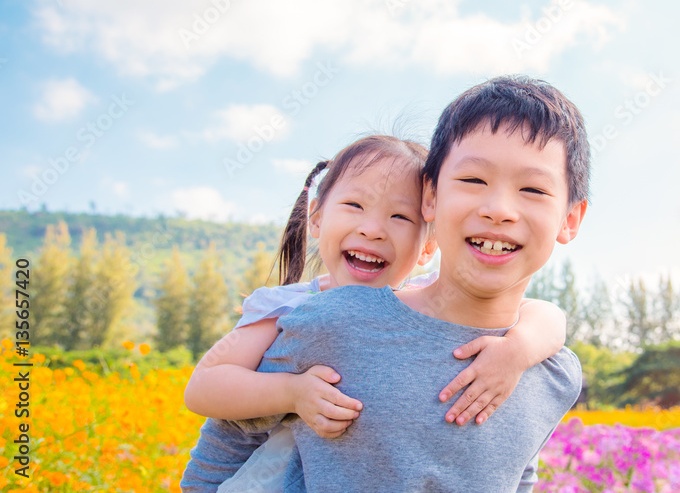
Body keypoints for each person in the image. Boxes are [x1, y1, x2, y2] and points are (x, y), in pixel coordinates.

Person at [182, 75, 589, 492]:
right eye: (473, 180)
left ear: (571, 218)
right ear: (431, 197)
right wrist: (290, 391)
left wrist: (520, 350)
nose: (499, 209)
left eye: (533, 188)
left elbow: (518, 474)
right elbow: (220, 446)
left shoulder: (552, 371)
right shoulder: (324, 319)